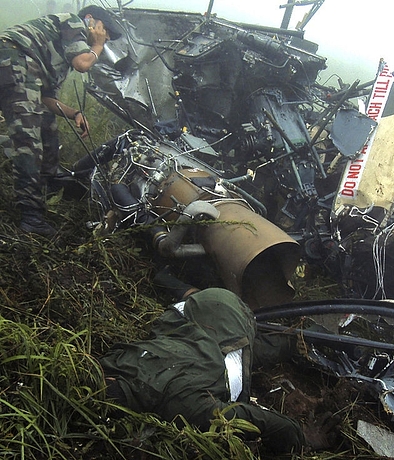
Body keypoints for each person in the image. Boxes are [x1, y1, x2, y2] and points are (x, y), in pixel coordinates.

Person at [100, 287, 306, 455]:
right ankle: (299, 339)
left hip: (234, 318)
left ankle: (300, 341)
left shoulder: (187, 409)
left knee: (239, 372)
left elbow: (263, 421)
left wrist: (303, 438)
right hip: (187, 310)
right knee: (221, 352)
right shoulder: (116, 362)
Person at [0, 5, 121, 237]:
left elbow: (46, 99)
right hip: (12, 60)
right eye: (105, 31)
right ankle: (31, 217)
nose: (106, 38)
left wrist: (74, 113)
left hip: (18, 70)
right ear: (90, 20)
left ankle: (48, 181)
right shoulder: (74, 22)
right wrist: (97, 45)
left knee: (47, 125)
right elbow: (83, 64)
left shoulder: (60, 53)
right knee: (28, 142)